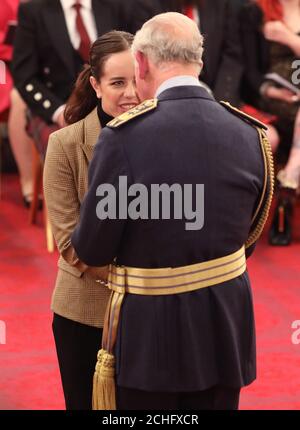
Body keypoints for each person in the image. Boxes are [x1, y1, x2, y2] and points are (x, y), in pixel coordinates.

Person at [71, 12, 274, 410]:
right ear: (200, 61)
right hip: (225, 329)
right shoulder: (250, 132)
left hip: (153, 340)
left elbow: (92, 249)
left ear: (141, 63)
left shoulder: (123, 138)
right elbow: (249, 234)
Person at [43, 30, 140, 410]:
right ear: (96, 85)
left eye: (137, 80)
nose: (130, 93)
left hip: (153, 314)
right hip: (84, 312)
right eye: (118, 82)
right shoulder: (64, 144)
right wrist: (143, 280)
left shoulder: (166, 138)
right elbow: (70, 244)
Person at [239, 0, 300, 244]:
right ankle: (291, 178)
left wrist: (289, 38)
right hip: (274, 100)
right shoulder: (256, 10)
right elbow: (250, 73)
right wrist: (272, 92)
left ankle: (291, 178)